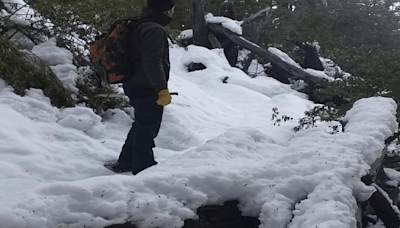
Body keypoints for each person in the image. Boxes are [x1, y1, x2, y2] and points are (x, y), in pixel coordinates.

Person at [106, 0, 175, 175]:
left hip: (132, 82)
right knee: (148, 126)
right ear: (166, 11)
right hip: (147, 86)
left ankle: (126, 160)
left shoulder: (138, 24)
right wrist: (161, 89)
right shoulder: (154, 29)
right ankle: (144, 167)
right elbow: (152, 61)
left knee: (142, 123)